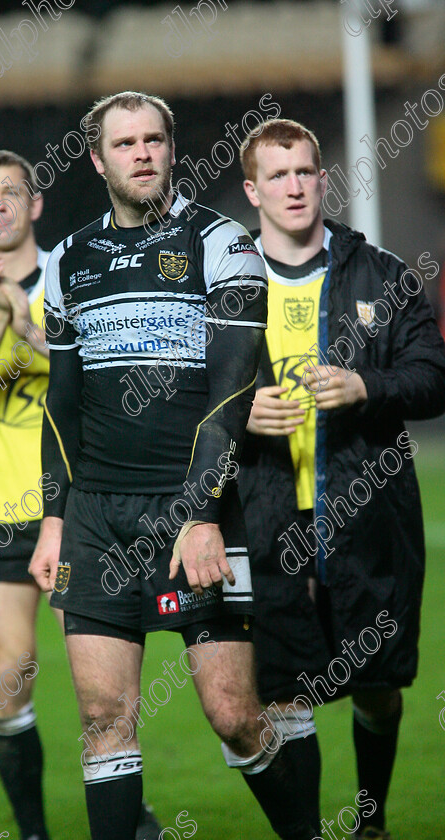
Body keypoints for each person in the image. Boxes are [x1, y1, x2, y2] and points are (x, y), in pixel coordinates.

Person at [29, 91, 317, 840]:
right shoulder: (67, 261)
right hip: (96, 517)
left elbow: (231, 394)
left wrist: (199, 514)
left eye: (154, 139)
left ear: (172, 148)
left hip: (194, 509)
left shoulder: (222, 244)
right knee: (101, 717)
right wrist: (54, 518)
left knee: (233, 716)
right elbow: (60, 404)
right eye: (124, 144)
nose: (143, 154)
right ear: (97, 160)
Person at [0, 149, 161, 840]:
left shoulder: (80, 276)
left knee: (102, 682)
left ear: (36, 204)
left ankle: (128, 810)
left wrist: (32, 327)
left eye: (11, 192)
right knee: (10, 670)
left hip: (79, 506)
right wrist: (0, 315)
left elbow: (113, 377)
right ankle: (32, 830)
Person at [238, 118, 445, 840]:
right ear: (252, 190)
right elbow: (187, 397)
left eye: (305, 171)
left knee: (378, 682)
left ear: (322, 179)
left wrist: (367, 387)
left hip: (366, 511)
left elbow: (433, 378)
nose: (294, 186)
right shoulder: (228, 285)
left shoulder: (380, 274)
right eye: (278, 175)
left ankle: (372, 817)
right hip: (267, 518)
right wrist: (240, 415)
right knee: (286, 690)